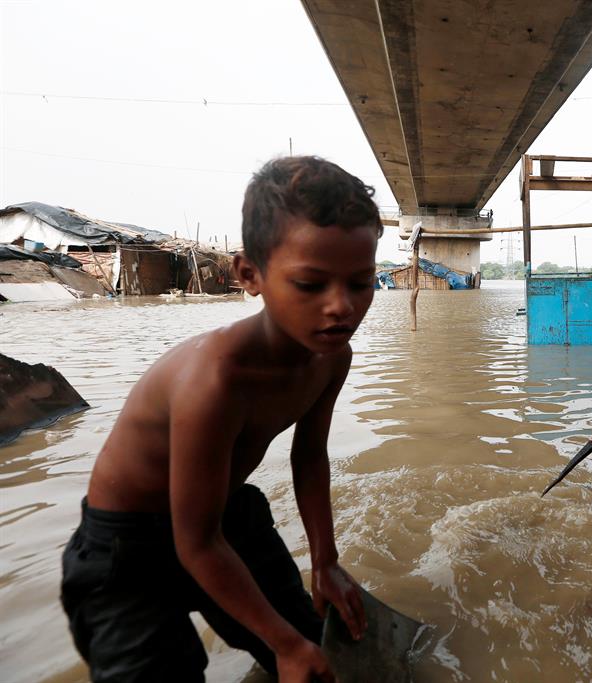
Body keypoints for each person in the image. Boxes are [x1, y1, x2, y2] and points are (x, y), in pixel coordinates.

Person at [60, 156, 382, 683]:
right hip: (126, 552)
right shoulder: (213, 381)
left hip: (223, 518)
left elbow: (309, 455)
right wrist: (283, 645)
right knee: (276, 652)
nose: (340, 307)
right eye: (310, 285)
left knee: (315, 652)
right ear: (249, 275)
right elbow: (196, 544)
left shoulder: (331, 358)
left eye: (361, 282)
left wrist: (325, 561)